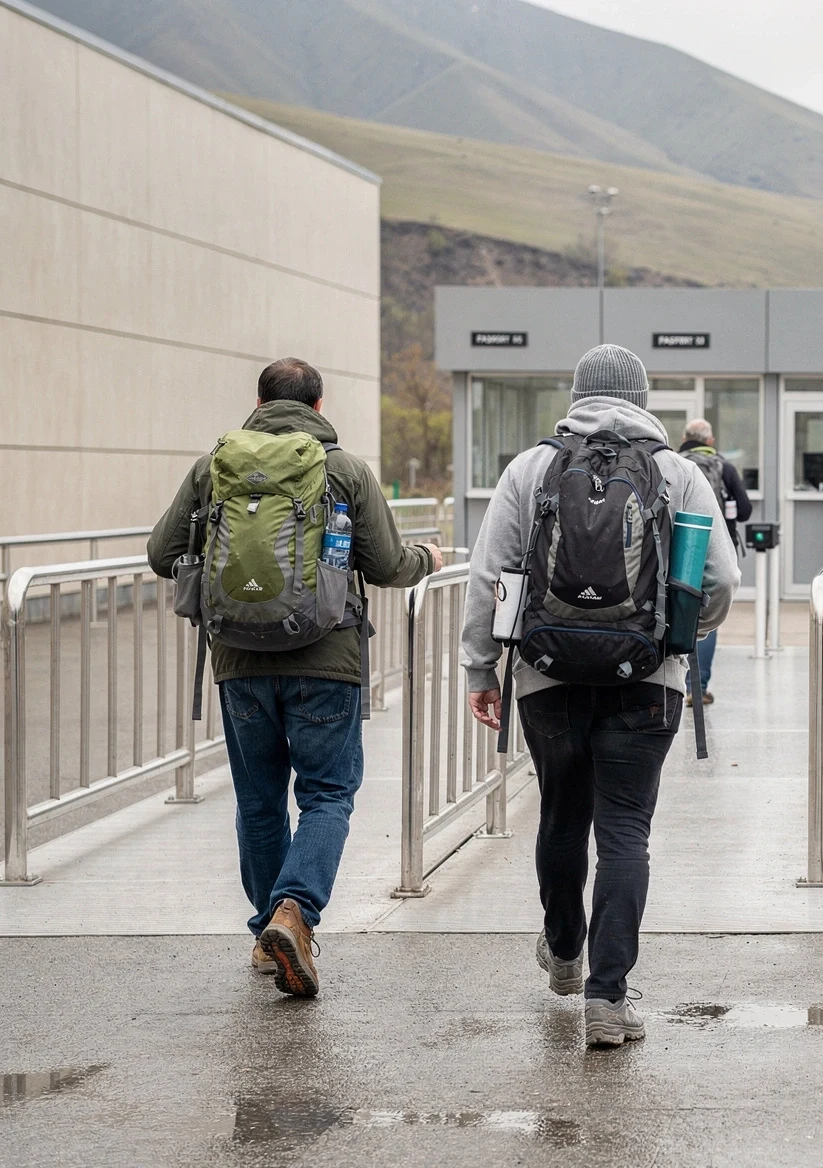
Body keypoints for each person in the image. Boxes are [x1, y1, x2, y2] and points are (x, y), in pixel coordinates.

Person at [462, 344, 739, 1049]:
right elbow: (721, 579)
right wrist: (678, 636)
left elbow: (489, 570)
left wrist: (482, 667)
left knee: (561, 816)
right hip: (647, 681)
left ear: (576, 395)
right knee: (625, 833)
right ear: (643, 398)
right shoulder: (674, 472)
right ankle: (607, 1000)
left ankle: (563, 953)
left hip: (547, 677)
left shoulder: (532, 468)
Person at [147, 358, 441, 998]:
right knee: (328, 795)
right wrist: (429, 559)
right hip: (327, 661)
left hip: (238, 662)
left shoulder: (213, 468)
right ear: (318, 404)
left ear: (258, 401)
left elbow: (161, 554)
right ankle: (295, 912)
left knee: (258, 801)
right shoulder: (345, 470)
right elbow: (388, 564)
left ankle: (265, 933)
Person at [678, 418, 753, 706]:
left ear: (685, 437)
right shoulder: (725, 467)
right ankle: (698, 687)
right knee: (705, 619)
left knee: (676, 611)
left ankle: (674, 679)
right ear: (710, 441)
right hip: (714, 551)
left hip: (678, 551)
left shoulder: (672, 463)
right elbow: (744, 511)